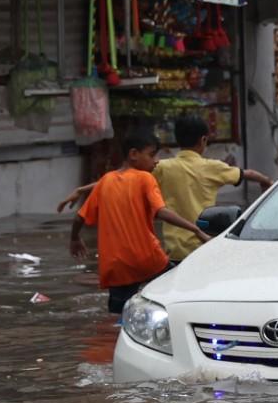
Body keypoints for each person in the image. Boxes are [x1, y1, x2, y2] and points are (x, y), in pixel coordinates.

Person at [57, 115, 274, 261]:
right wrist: (267, 182)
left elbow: (117, 178)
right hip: (203, 247)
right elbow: (247, 174)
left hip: (173, 250)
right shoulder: (214, 168)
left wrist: (83, 189)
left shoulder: (163, 168)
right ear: (204, 140)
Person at [69, 126, 211, 314]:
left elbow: (79, 217)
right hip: (148, 259)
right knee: (177, 297)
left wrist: (74, 239)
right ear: (134, 154)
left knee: (118, 319)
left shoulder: (105, 181)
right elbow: (161, 212)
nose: (156, 161)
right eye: (152, 155)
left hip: (116, 266)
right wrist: (196, 230)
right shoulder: (145, 178)